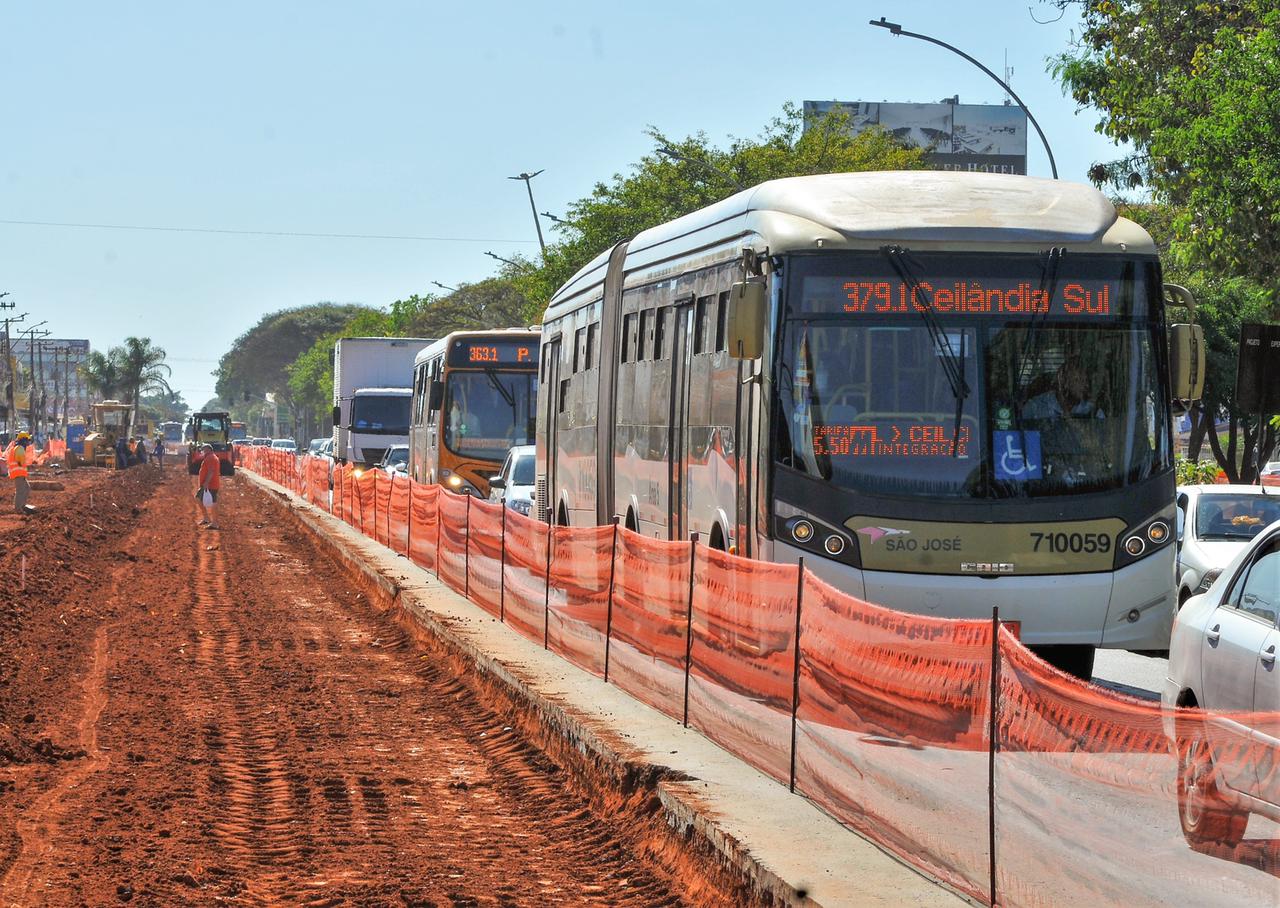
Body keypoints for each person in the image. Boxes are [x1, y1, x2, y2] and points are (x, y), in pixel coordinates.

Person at [195, 443, 222, 529]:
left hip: (211, 485)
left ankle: (215, 523)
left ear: (209, 449)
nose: (203, 451)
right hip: (209, 484)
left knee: (213, 503)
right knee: (199, 498)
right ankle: (206, 518)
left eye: (204, 449)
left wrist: (206, 483)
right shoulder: (210, 457)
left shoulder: (211, 458)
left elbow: (211, 471)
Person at [8, 431, 35, 514]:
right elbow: (20, 460)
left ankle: (22, 505)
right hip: (18, 473)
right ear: (23, 440)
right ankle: (18, 508)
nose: (28, 442)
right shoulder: (19, 448)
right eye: (27, 440)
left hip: (19, 473)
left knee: (26, 488)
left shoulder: (17, 447)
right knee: (20, 490)